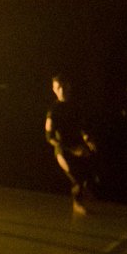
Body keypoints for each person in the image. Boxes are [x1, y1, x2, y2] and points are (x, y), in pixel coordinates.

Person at [44, 74, 97, 214]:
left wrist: (88, 139)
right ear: (54, 90)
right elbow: (49, 137)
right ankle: (77, 203)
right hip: (63, 151)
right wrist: (71, 150)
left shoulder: (75, 106)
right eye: (58, 88)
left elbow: (82, 127)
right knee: (76, 177)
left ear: (68, 87)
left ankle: (83, 193)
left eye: (63, 87)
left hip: (78, 147)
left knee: (89, 172)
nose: (61, 90)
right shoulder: (53, 111)